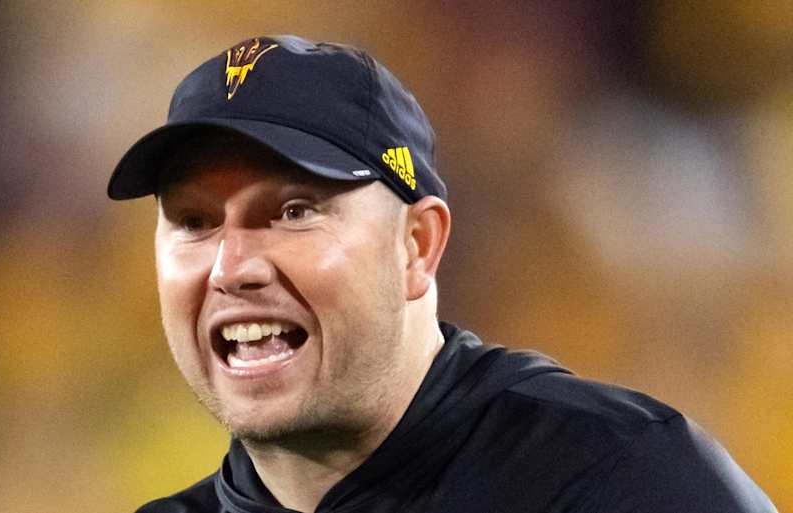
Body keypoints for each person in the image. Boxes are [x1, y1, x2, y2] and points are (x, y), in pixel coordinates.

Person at [107, 35, 777, 513]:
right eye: (194, 221)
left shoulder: (621, 480)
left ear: (417, 245)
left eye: (294, 211)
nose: (231, 267)